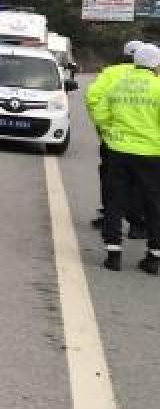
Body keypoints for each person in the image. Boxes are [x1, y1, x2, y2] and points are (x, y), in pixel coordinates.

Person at [87, 43, 160, 273]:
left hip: (117, 151)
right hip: (151, 154)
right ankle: (153, 257)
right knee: (153, 204)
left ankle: (114, 254)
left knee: (113, 201)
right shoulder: (158, 88)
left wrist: (110, 134)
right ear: (156, 64)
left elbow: (99, 113)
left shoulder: (117, 85)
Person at [90, 40, 147, 235]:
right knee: (141, 185)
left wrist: (103, 128)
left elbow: (93, 99)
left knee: (111, 181)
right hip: (150, 146)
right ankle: (138, 225)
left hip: (114, 141)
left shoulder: (111, 73)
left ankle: (110, 222)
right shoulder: (154, 77)